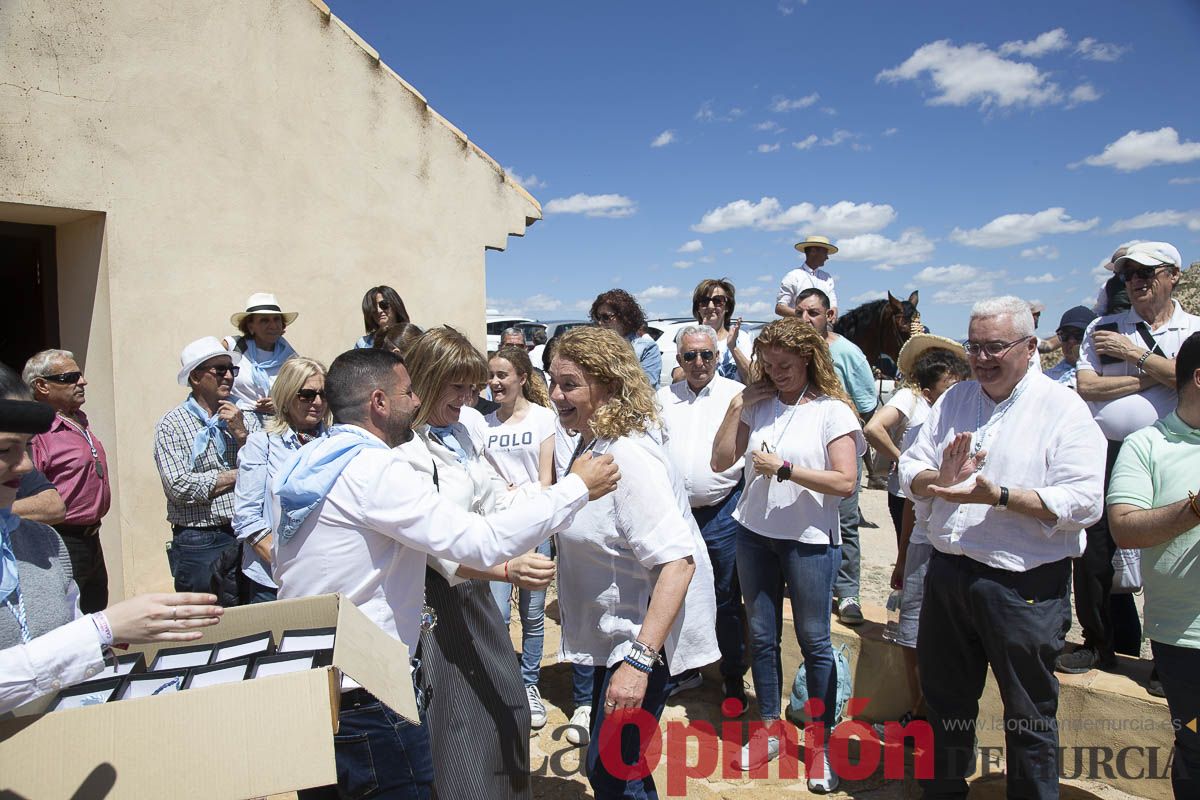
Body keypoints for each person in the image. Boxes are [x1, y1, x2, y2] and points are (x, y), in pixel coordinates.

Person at [270, 347, 618, 800]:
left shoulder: (309, 461)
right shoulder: (373, 470)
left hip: (313, 687)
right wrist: (575, 489)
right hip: (367, 696)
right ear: (379, 402)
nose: (416, 402)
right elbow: (478, 541)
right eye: (407, 392)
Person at [900, 295, 1107, 799]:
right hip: (949, 576)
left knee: (1029, 713)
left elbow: (1084, 502)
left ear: (1030, 346)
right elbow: (909, 468)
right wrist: (935, 478)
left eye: (995, 347)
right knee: (945, 703)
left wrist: (1003, 496)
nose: (982, 358)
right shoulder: (954, 400)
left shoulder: (1063, 409)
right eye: (974, 346)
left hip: (1022, 587)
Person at [550, 325, 718, 799]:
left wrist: (639, 664)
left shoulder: (626, 454)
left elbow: (677, 563)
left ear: (605, 384)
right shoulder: (593, 442)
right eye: (552, 381)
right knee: (614, 764)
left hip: (642, 643)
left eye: (569, 384)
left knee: (612, 769)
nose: (555, 394)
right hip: (616, 634)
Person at [402, 328, 569, 797]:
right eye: (458, 386)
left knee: (508, 705)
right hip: (437, 603)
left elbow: (494, 500)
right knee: (459, 724)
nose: (469, 396)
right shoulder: (406, 451)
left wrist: (556, 501)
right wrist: (506, 569)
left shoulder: (462, 431)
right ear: (428, 380)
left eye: (471, 386)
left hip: (473, 591)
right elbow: (439, 549)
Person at [0, 374, 224, 715]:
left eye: (28, 446)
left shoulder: (43, 541)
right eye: (5, 450)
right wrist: (100, 629)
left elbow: (69, 644)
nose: (27, 465)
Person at [711, 317, 864, 789]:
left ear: (807, 359)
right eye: (768, 363)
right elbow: (719, 461)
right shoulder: (757, 404)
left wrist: (786, 470)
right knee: (762, 637)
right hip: (754, 533)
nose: (776, 372)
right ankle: (770, 728)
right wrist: (737, 404)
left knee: (815, 641)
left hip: (810, 540)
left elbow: (845, 482)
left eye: (785, 364)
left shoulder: (833, 412)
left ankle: (819, 746)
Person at [1068, 241, 1200, 674]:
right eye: (1129, 275)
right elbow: (1087, 387)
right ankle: (1097, 642)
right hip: (1106, 450)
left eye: (1146, 273)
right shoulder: (1102, 327)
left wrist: (1133, 355)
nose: (1137, 282)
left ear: (1172, 276)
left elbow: (1187, 380)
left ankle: (1168, 659)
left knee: (1173, 548)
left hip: (1173, 452)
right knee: (1094, 551)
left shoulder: (1193, 330)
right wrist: (1154, 378)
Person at [1108, 332, 1200, 799]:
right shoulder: (1147, 445)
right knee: (1197, 748)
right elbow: (1124, 528)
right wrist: (1195, 509)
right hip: (1187, 639)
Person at [657, 324, 749, 706]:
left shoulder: (736, 395)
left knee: (725, 598)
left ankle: (732, 678)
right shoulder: (660, 398)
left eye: (706, 355)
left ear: (717, 356)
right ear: (679, 359)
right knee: (673, 595)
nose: (698, 362)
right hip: (675, 514)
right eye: (690, 355)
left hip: (722, 513)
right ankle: (684, 672)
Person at [877, 347, 968, 734]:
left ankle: (933, 718)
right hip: (923, 545)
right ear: (929, 393)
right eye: (946, 386)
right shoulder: (923, 432)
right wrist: (901, 559)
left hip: (961, 548)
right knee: (912, 633)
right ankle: (921, 714)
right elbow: (912, 503)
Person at [481, 345, 557, 729]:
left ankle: (529, 684)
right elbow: (485, 482)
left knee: (531, 615)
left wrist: (517, 495)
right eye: (491, 375)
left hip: (533, 529)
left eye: (502, 375)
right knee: (495, 615)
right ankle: (502, 684)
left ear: (523, 378)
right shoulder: (484, 424)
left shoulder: (544, 419)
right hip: (496, 535)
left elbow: (545, 481)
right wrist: (513, 492)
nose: (494, 383)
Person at [793, 287, 875, 626]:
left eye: (812, 312)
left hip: (838, 449)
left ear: (830, 316)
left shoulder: (847, 353)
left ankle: (848, 593)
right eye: (799, 312)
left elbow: (867, 406)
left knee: (845, 522)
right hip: (803, 450)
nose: (804, 318)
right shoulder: (793, 350)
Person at [154, 337, 258, 593]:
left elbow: (263, 471)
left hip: (246, 533)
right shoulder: (172, 424)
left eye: (231, 370)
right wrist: (237, 474)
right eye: (219, 370)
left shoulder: (246, 418)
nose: (229, 377)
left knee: (250, 618)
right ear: (196, 377)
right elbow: (179, 487)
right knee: (203, 619)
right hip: (200, 539)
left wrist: (242, 436)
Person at [232, 357, 330, 604]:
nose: (317, 402)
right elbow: (247, 518)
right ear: (287, 396)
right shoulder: (261, 444)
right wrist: (285, 565)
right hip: (272, 580)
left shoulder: (336, 444)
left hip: (327, 576)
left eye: (323, 394)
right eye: (307, 395)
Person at [19, 350, 111, 613]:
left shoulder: (77, 419)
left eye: (80, 375)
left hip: (91, 538)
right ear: (42, 386)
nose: (82, 381)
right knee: (70, 618)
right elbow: (28, 495)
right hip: (61, 539)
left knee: (95, 615)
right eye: (69, 377)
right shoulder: (38, 432)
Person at [864, 335, 968, 546]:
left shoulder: (962, 403)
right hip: (908, 492)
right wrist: (902, 459)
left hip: (942, 487)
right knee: (912, 546)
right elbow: (873, 428)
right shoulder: (910, 397)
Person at [224, 292, 300, 420]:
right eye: (264, 320)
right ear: (250, 326)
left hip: (275, 425)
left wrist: (280, 405)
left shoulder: (290, 358)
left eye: (276, 319)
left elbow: (299, 396)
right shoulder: (233, 347)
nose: (273, 325)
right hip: (235, 420)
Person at [671, 279, 753, 384]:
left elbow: (752, 380)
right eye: (704, 301)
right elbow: (677, 380)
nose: (710, 306)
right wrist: (702, 337)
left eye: (718, 301)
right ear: (698, 308)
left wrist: (733, 348)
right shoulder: (687, 338)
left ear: (727, 307)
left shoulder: (741, 338)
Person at [590, 289, 662, 389]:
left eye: (606, 317)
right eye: (598, 318)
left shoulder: (647, 347)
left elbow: (647, 385)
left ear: (624, 317)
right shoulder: (595, 348)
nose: (600, 323)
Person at [775, 235, 839, 320]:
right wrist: (804, 315)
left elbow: (833, 305)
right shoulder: (793, 276)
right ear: (813, 251)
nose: (827, 257)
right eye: (825, 253)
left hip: (823, 328)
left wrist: (833, 312)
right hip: (798, 328)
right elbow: (780, 308)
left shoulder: (827, 278)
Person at [1045, 306, 1098, 389]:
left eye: (1079, 335)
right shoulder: (1045, 378)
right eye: (1065, 335)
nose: (1071, 341)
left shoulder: (1108, 375)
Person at [355, 285, 410, 349]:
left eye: (383, 304)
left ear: (395, 305)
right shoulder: (363, 344)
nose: (379, 310)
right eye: (373, 307)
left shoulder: (415, 336)